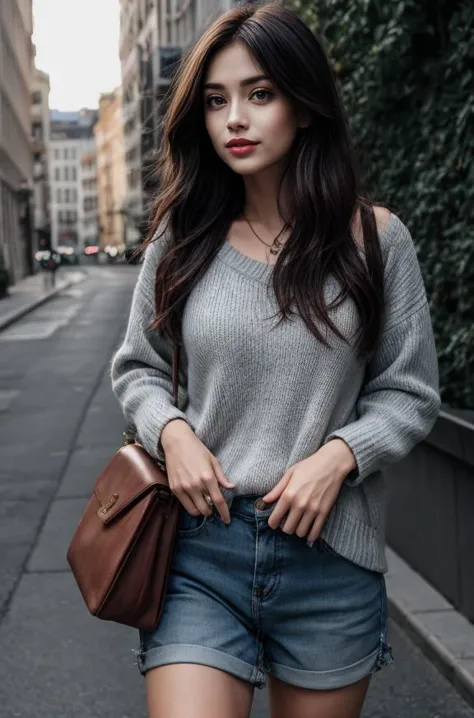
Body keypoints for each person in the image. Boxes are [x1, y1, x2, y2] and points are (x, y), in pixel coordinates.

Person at [110, 3, 441, 717]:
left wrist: (339, 456)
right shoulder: (184, 238)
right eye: (216, 100)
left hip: (329, 556)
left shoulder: (376, 241)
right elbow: (138, 366)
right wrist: (173, 434)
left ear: (305, 104)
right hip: (199, 548)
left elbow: (409, 392)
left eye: (260, 94)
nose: (235, 118)